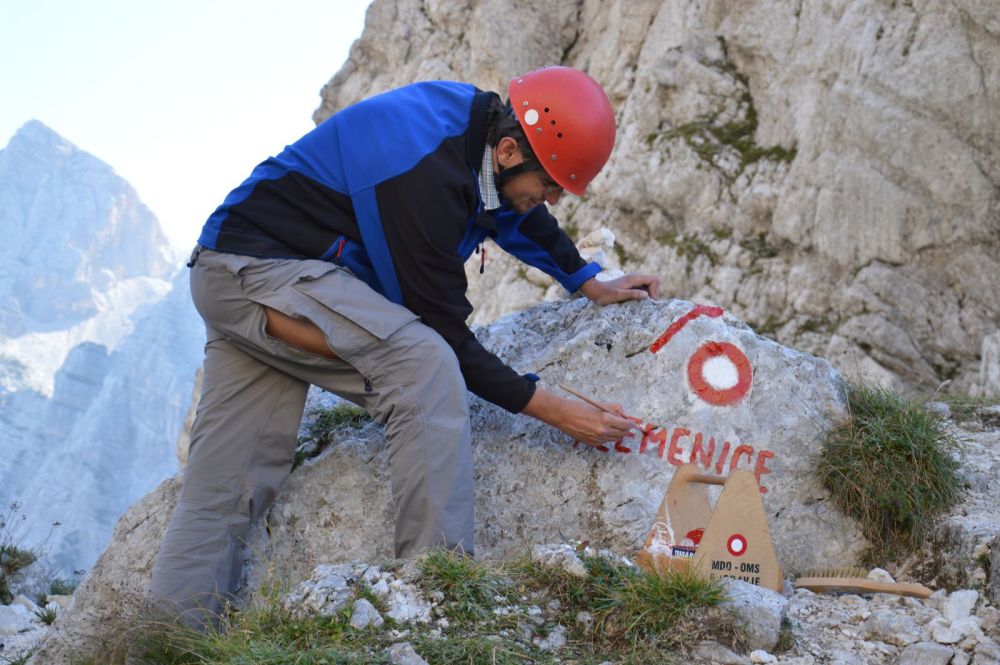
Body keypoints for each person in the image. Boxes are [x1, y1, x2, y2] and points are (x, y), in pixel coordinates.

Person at [148, 65, 660, 629]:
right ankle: (432, 598)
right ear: (511, 149)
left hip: (228, 272)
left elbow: (510, 207)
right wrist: (549, 408)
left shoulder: (476, 133)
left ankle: (166, 643)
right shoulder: (421, 169)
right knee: (424, 366)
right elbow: (444, 331)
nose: (554, 200)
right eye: (551, 186)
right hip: (265, 275)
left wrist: (584, 277)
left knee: (222, 491)